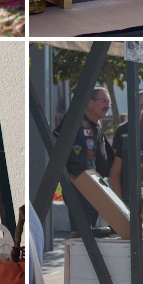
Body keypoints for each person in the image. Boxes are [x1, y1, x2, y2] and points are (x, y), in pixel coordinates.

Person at [62, 87, 112, 231]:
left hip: (94, 188)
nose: (107, 106)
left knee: (91, 234)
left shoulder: (97, 126)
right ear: (90, 102)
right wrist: (69, 178)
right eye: (103, 101)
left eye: (109, 102)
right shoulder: (75, 121)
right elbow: (56, 144)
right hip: (79, 188)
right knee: (81, 236)